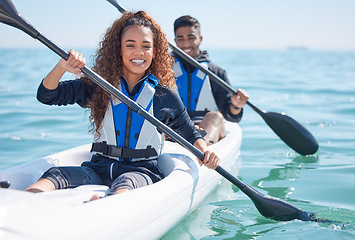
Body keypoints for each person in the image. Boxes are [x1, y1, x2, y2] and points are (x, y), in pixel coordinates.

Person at [26, 11, 220, 198]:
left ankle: (103, 207)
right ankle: (20, 203)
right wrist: (62, 67)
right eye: (130, 45)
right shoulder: (99, 85)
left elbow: (190, 132)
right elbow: (47, 96)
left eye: (146, 46)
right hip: (98, 168)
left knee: (125, 183)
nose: (139, 52)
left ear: (155, 51)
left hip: (141, 173)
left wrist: (205, 152)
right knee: (55, 174)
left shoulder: (164, 95)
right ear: (118, 48)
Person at [173, 15, 249, 145]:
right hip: (174, 127)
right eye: (181, 39)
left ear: (200, 39)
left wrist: (236, 106)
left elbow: (231, 115)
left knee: (216, 117)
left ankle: (200, 148)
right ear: (175, 41)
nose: (186, 44)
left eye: (191, 38)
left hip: (205, 128)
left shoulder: (216, 72)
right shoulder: (164, 69)